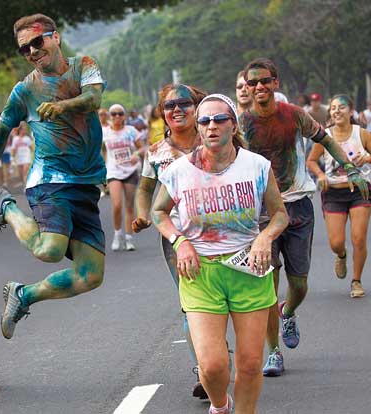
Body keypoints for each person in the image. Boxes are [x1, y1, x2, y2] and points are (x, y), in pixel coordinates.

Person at [0, 13, 107, 340]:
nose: (32, 51)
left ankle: (23, 295)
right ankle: (5, 208)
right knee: (50, 250)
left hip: (86, 183)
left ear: (55, 37)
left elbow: (94, 99)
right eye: (24, 49)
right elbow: (3, 128)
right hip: (49, 180)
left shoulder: (84, 65)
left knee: (90, 276)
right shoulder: (24, 90)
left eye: (37, 41)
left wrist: (62, 106)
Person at [152, 93, 288, 414]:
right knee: (212, 367)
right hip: (202, 274)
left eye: (219, 119)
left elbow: (279, 214)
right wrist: (179, 242)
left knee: (251, 364)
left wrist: (265, 237)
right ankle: (220, 405)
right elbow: (159, 212)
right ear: (198, 128)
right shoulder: (179, 171)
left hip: (248, 270)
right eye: (204, 121)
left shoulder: (256, 166)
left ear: (233, 124)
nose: (211, 126)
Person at [241, 58, 368, 377]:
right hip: (261, 215)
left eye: (265, 81)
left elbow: (325, 140)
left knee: (299, 285)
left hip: (297, 207)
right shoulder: (241, 124)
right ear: (247, 87)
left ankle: (289, 312)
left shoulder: (294, 115)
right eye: (252, 82)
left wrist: (351, 168)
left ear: (275, 83)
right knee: (266, 286)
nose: (259, 87)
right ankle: (273, 352)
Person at [132, 83, 212, 399]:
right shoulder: (156, 152)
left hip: (224, 232)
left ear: (197, 108)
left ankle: (219, 354)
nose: (176, 110)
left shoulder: (215, 138)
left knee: (224, 301)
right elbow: (143, 190)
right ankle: (206, 370)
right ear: (162, 114)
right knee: (192, 305)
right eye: (169, 106)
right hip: (176, 237)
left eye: (183, 104)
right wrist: (141, 215)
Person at [306, 94, 371, 298]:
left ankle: (356, 280)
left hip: (360, 191)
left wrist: (368, 156)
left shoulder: (362, 134)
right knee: (336, 242)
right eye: (333, 108)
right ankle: (341, 255)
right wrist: (320, 174)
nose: (336, 111)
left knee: (359, 238)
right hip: (333, 192)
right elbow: (312, 161)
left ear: (351, 111)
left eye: (341, 107)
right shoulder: (325, 136)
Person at [102, 104, 145, 251]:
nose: (117, 117)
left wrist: (136, 154)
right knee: (117, 204)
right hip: (113, 171)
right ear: (110, 116)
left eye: (120, 114)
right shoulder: (105, 132)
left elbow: (142, 147)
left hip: (130, 171)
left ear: (124, 116)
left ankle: (128, 238)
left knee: (129, 205)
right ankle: (117, 234)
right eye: (113, 114)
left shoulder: (130, 131)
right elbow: (100, 150)